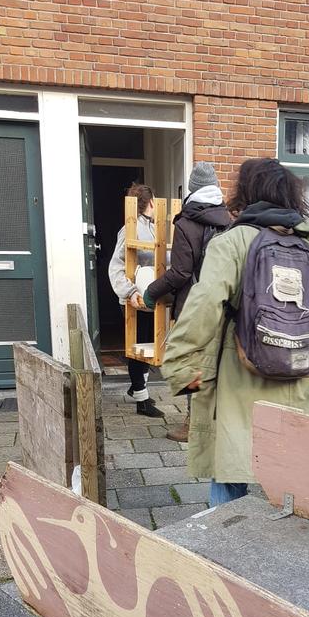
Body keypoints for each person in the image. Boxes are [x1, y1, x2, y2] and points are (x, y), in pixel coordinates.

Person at [160, 157, 309, 507]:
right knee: (305, 491)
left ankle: (222, 538)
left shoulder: (232, 244)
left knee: (230, 475)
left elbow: (202, 306)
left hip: (242, 385)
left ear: (245, 194)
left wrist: (179, 365)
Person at [141, 163, 230, 441]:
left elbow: (180, 272)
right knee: (217, 364)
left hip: (194, 307)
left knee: (190, 365)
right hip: (224, 305)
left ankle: (193, 424)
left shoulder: (187, 222)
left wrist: (152, 292)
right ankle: (217, 423)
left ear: (192, 189)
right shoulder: (229, 220)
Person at [108, 183, 164, 418]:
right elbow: (116, 268)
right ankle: (141, 400)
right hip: (136, 301)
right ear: (151, 202)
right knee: (137, 347)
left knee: (148, 346)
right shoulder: (130, 229)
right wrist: (130, 293)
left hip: (150, 301)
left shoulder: (153, 227)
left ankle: (137, 388)